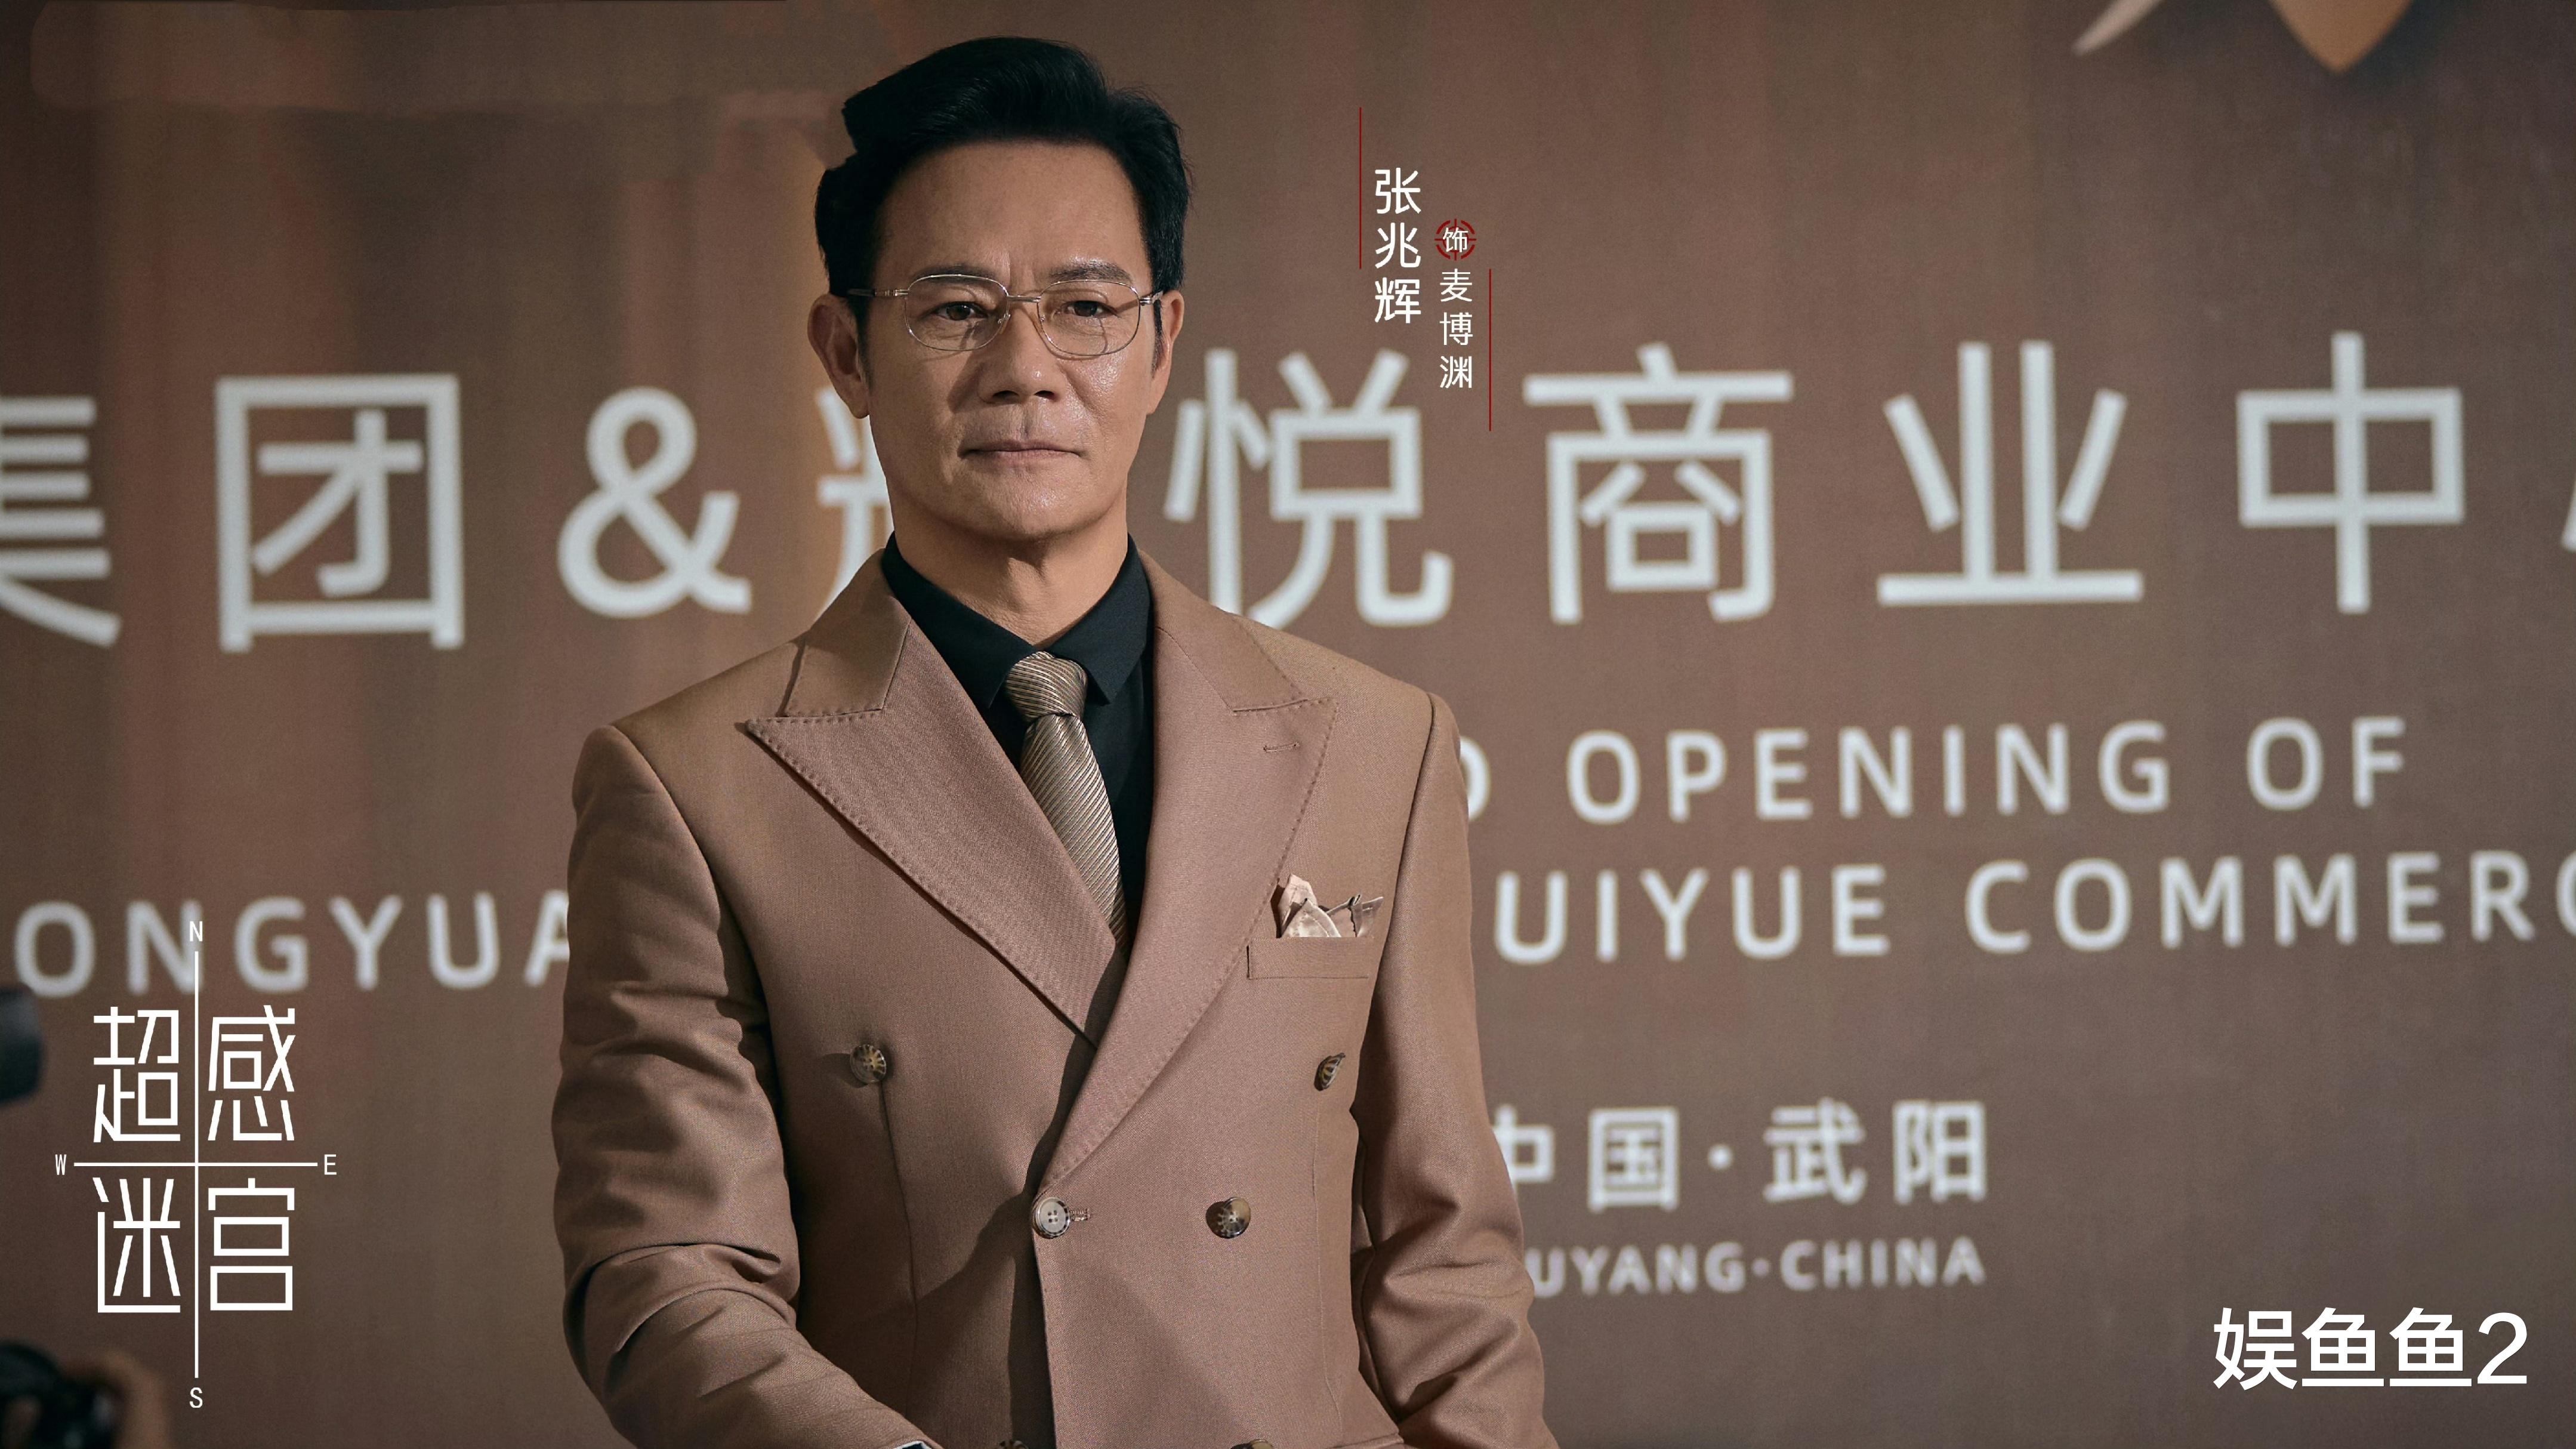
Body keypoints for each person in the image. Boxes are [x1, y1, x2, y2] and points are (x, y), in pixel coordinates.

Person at [550, 35, 1555, 1449]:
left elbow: (1441, 1252)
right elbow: (668, 1278)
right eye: (955, 309)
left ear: (1161, 343)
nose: (1024, 368)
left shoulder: (1375, 746)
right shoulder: (695, 785)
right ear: (845, 351)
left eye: (1085, 306)